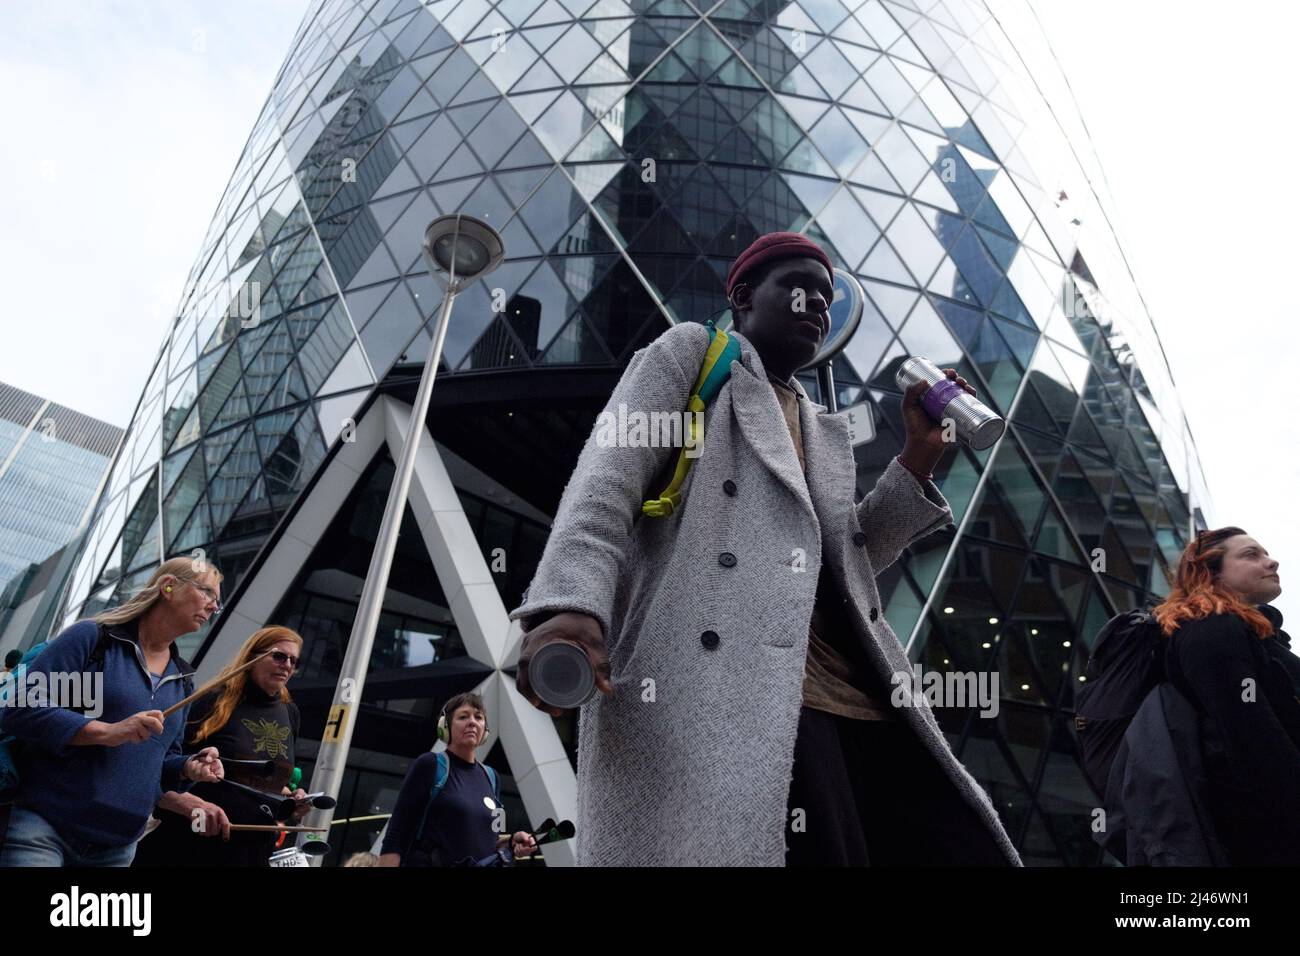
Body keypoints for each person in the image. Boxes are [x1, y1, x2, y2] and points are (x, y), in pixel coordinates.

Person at [511, 231, 1020, 866]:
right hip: (736, 692)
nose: (816, 304)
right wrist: (570, 603)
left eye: (828, 297)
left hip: (859, 701)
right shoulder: (693, 355)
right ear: (744, 297)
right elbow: (604, 484)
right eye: (799, 287)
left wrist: (920, 456)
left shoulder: (821, 426)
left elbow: (851, 562)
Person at [0, 556, 225, 867]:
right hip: (44, 828)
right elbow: (23, 707)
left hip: (117, 849)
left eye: (218, 599)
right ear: (168, 586)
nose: (214, 606)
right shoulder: (95, 640)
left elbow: (160, 762)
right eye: (208, 592)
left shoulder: (182, 681)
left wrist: (188, 767)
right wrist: (107, 731)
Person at [1150, 526, 1299, 865]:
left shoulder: (1254, 633)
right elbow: (1253, 739)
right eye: (1251, 555)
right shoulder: (1212, 628)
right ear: (1209, 571)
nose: (1272, 562)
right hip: (1267, 837)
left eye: (1266, 553)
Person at [133, 626, 309, 867]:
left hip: (253, 851)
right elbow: (159, 765)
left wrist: (292, 798)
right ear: (253, 656)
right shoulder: (212, 701)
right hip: (191, 846)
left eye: (294, 661)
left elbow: (270, 779)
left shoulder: (290, 713)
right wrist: (186, 804)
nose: (287, 665)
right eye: (279, 656)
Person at [378, 692, 537, 866]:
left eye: (479, 717)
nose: (472, 722)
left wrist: (511, 842)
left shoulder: (492, 777)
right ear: (445, 727)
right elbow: (397, 833)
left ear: (485, 729)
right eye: (463, 717)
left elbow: (487, 843)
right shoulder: (430, 764)